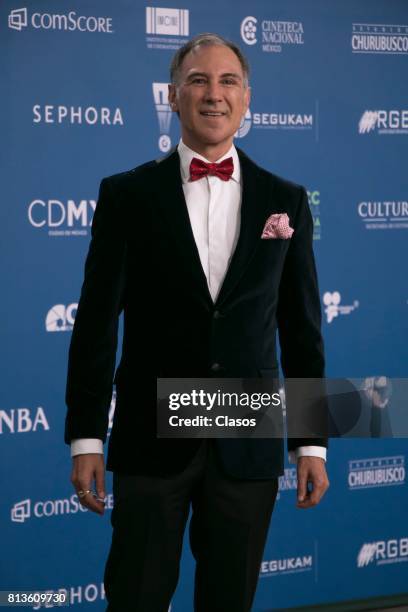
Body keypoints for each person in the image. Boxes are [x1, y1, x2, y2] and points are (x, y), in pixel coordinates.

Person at [65, 33, 329, 612]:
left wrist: (312, 442)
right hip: (152, 435)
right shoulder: (127, 195)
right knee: (136, 597)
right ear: (172, 96)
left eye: (228, 81)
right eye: (199, 81)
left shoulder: (286, 199)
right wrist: (87, 435)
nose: (214, 94)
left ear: (248, 98)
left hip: (248, 436)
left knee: (229, 601)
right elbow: (95, 325)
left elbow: (302, 328)